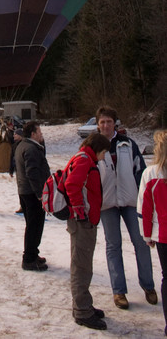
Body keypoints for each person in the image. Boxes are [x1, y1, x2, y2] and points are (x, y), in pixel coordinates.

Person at [96, 105, 157, 309]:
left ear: (115, 124)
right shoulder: (92, 147)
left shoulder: (127, 144)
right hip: (107, 204)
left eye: (109, 122)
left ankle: (148, 285)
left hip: (130, 200)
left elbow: (141, 172)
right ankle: (119, 291)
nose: (105, 125)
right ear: (98, 125)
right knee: (113, 246)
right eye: (102, 122)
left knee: (141, 242)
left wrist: (145, 200)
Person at [65, 132, 111, 330]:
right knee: (81, 266)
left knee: (83, 264)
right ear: (98, 149)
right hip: (81, 222)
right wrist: (80, 211)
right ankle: (82, 310)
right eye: (104, 153)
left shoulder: (85, 158)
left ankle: (84, 304)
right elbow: (71, 185)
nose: (104, 157)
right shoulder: (85, 160)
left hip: (85, 220)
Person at [137, 129, 167, 337]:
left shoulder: (151, 173)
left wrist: (147, 236)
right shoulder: (152, 174)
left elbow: (144, 210)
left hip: (163, 234)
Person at [15, 120, 50, 271]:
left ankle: (33, 253)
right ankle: (29, 259)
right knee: (34, 227)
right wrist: (40, 194)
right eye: (40, 132)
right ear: (33, 134)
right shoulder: (30, 149)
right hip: (31, 193)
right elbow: (32, 173)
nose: (42, 134)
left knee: (33, 225)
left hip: (25, 191)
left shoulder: (24, 145)